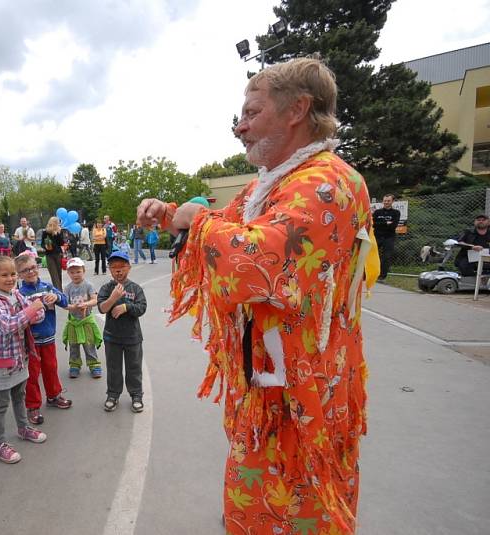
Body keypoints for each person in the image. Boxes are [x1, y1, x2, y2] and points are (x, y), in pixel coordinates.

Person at [137, 57, 374, 533]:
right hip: (272, 384)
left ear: (297, 110)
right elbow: (230, 222)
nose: (240, 128)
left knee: (300, 506)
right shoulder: (279, 179)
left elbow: (256, 264)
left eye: (251, 113)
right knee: (261, 499)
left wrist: (194, 221)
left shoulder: (326, 182)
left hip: (304, 394)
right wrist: (170, 215)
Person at [0, 256, 47, 464]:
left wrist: (31, 311)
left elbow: (40, 315)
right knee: (1, 403)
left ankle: (23, 428)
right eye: (4, 275)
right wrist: (30, 311)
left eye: (12, 274)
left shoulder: (15, 293)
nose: (10, 279)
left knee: (20, 395)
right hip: (3, 361)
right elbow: (9, 325)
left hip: (20, 357)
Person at [15, 252, 72, 425]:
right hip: (30, 342)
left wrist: (57, 297)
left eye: (33, 267)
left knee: (51, 368)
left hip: (48, 338)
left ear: (38, 267)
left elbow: (64, 300)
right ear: (19, 274)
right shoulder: (19, 293)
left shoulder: (47, 287)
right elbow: (18, 317)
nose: (31, 272)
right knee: (32, 374)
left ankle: (54, 396)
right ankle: (33, 406)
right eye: (25, 270)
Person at [97, 251, 147, 413]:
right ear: (110, 269)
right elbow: (102, 308)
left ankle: (136, 395)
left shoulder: (135, 288)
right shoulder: (106, 288)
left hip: (133, 337)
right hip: (112, 337)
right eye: (114, 267)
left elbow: (142, 308)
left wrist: (125, 307)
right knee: (113, 368)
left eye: (122, 267)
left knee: (134, 367)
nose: (118, 271)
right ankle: (113, 395)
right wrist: (113, 298)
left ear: (129, 268)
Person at [62, 257, 102, 378]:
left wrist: (85, 304)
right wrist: (72, 307)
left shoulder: (89, 285)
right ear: (68, 273)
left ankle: (94, 365)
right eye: (72, 272)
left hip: (87, 321)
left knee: (89, 344)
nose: (75, 275)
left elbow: (95, 300)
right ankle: (74, 365)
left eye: (78, 271)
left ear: (83, 271)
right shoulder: (68, 288)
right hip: (73, 322)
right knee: (73, 345)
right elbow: (64, 305)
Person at [372, 194, 400, 280]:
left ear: (392, 201)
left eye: (388, 201)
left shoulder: (396, 213)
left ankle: (381, 276)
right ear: (382, 201)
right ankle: (370, 274)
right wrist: (385, 223)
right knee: (372, 255)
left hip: (389, 237)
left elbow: (393, 226)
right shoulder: (377, 212)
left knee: (386, 257)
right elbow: (374, 225)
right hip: (377, 236)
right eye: (385, 201)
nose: (386, 202)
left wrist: (380, 224)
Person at [41, 216, 64, 291]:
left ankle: (60, 291)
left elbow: (61, 243)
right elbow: (42, 243)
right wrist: (46, 247)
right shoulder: (45, 232)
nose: (56, 224)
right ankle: (58, 291)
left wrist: (57, 234)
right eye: (55, 222)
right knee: (54, 274)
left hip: (58, 254)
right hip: (49, 255)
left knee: (59, 274)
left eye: (56, 223)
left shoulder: (59, 231)